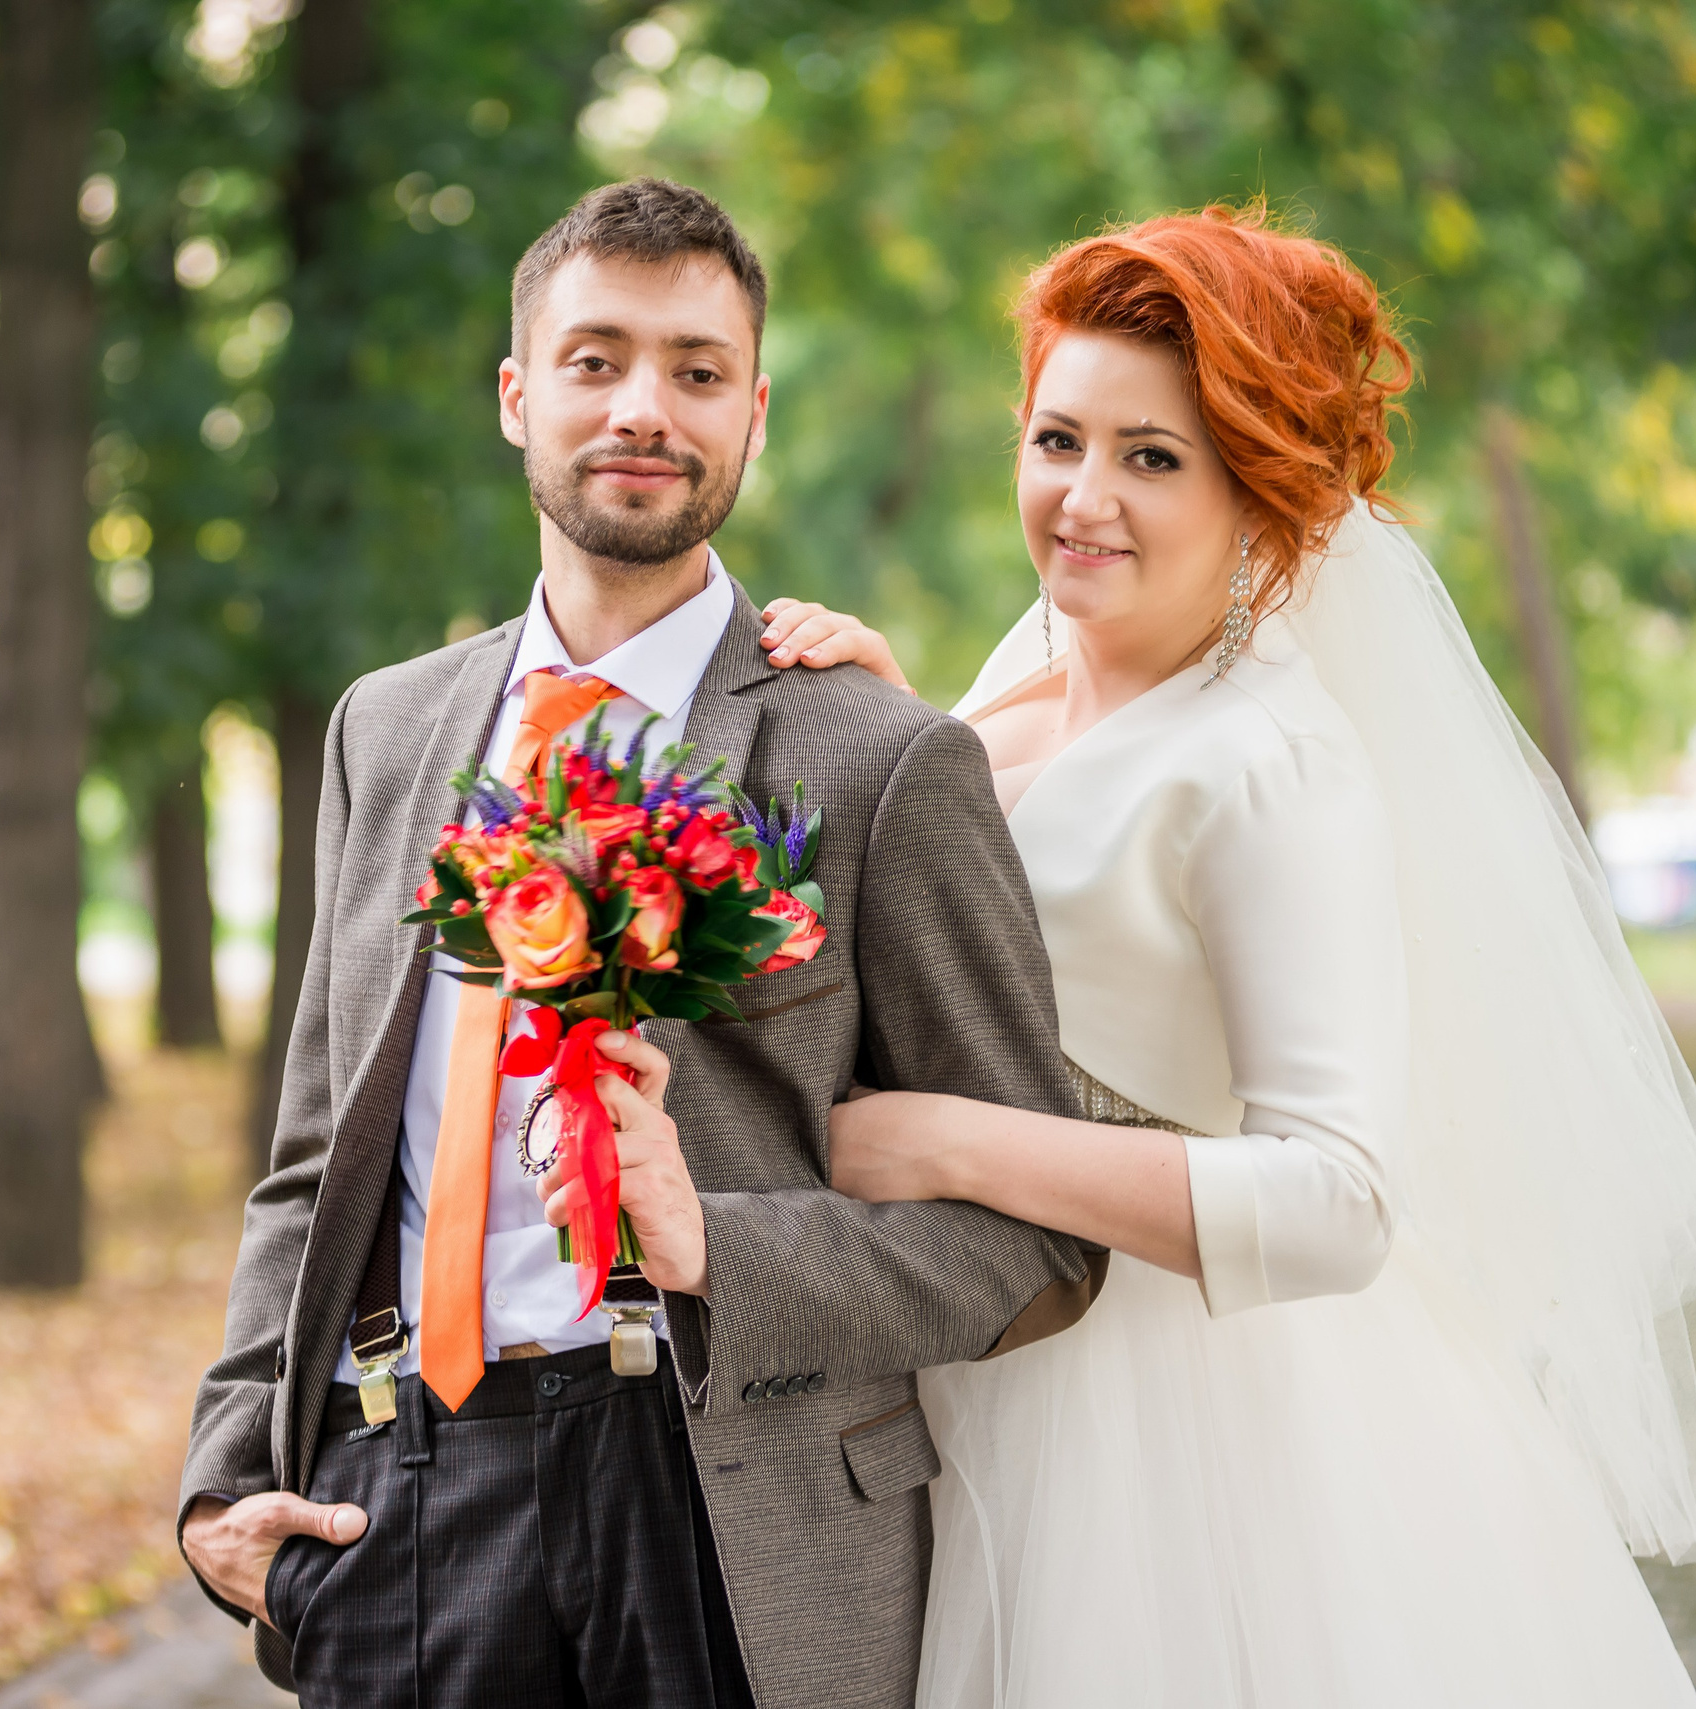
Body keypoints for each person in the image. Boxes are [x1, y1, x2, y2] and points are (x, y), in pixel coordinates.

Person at [759, 205, 1696, 1706]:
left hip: (1183, 1435)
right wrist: (896, 734)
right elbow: (1048, 921)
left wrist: (949, 1141)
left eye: (1154, 458)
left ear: (1266, 495)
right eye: (1058, 440)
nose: (1083, 500)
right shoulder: (1031, 669)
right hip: (978, 1362)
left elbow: (1335, 1201)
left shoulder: (1269, 763)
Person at [175, 177, 1102, 1709]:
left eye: (696, 369)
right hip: (401, 1503)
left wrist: (716, 1247)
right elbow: (309, 1161)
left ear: (754, 413)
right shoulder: (387, 729)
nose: (643, 408)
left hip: (733, 1511)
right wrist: (224, 1479)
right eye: (597, 359)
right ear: (517, 393)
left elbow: (1040, 1248)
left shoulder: (874, 760)